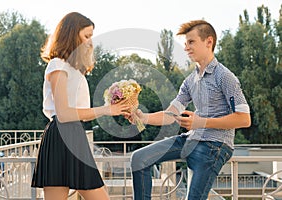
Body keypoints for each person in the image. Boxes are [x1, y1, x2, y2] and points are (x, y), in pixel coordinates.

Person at [130, 20, 251, 200]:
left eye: (191, 42)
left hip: (214, 146)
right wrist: (142, 117)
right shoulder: (190, 80)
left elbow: (244, 119)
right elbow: (171, 115)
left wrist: (200, 122)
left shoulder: (225, 76)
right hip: (190, 140)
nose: (186, 47)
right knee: (139, 159)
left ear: (209, 42)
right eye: (186, 43)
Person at [31, 12, 131, 200]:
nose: (90, 42)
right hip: (61, 136)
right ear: (71, 34)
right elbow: (63, 114)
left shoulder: (74, 69)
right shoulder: (57, 65)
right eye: (86, 36)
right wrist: (106, 110)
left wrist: (109, 107)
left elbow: (80, 114)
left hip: (74, 134)